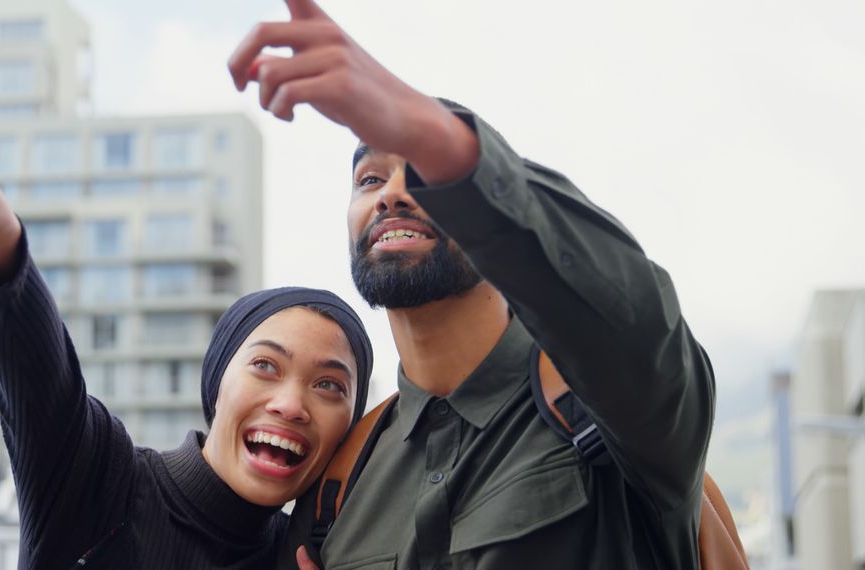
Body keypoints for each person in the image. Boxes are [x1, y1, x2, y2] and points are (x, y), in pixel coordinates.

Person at [228, 1, 715, 569]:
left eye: (424, 173)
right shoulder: (336, 485)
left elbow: (635, 315)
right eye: (369, 178)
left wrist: (437, 137)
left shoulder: (613, 408)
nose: (391, 193)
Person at [0, 62, 374, 569]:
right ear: (217, 385)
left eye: (330, 385)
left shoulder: (315, 556)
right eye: (266, 366)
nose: (291, 405)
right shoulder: (105, 482)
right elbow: (36, 377)